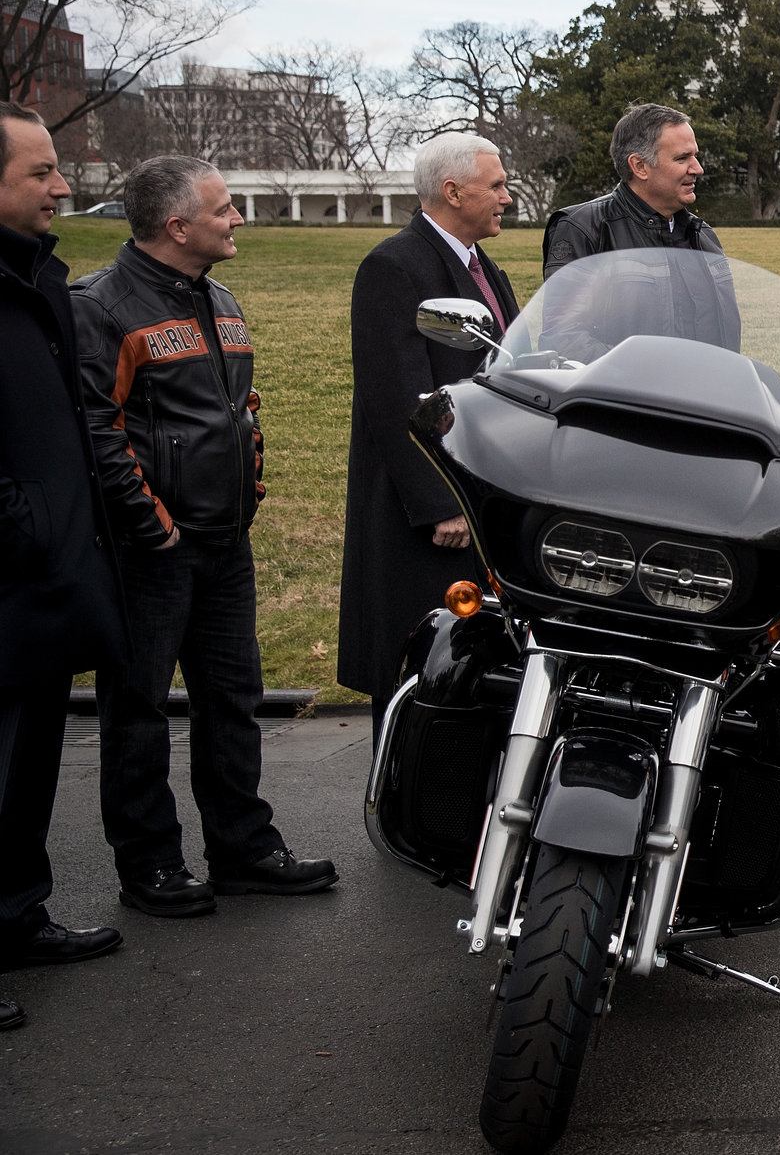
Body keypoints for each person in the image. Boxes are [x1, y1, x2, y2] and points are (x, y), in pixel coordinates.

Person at [74, 155, 335, 916]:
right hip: (151, 548)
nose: (239, 219)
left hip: (225, 541)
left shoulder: (219, 297)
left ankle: (244, 847)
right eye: (225, 209)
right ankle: (150, 863)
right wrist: (150, 523)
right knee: (140, 708)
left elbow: (237, 404)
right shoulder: (102, 305)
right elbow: (99, 429)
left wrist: (248, 481)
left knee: (233, 697)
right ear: (176, 224)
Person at [0, 103, 124, 1027]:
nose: (63, 186)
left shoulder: (39, 280)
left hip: (44, 573)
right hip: (11, 563)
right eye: (41, 172)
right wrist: (23, 523)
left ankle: (17, 913)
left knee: (29, 751)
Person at [339, 133, 518, 735]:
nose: (507, 197)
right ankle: (408, 811)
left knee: (472, 669)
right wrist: (441, 503)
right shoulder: (395, 266)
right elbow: (395, 398)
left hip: (482, 500)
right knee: (419, 668)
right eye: (495, 186)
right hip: (427, 516)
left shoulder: (480, 265)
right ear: (452, 191)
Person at [542, 104, 723, 281]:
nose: (698, 169)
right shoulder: (583, 229)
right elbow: (566, 309)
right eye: (682, 158)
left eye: (695, 156)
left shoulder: (701, 234)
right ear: (639, 167)